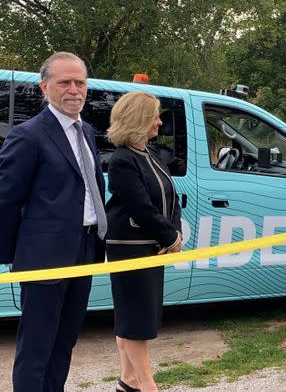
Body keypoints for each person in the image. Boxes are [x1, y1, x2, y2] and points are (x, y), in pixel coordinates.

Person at [0, 52, 107, 391]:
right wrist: (12, 256)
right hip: (44, 257)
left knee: (65, 343)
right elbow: (6, 199)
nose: (74, 89)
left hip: (86, 249)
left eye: (80, 82)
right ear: (45, 87)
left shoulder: (87, 131)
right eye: (65, 82)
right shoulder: (28, 135)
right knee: (37, 347)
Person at [105, 92, 183, 392]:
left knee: (135, 316)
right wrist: (169, 235)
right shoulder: (122, 160)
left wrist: (173, 233)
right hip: (131, 249)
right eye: (155, 116)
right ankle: (148, 386)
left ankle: (127, 381)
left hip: (152, 247)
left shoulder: (151, 154)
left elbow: (170, 198)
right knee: (135, 320)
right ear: (138, 119)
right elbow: (140, 206)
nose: (160, 122)